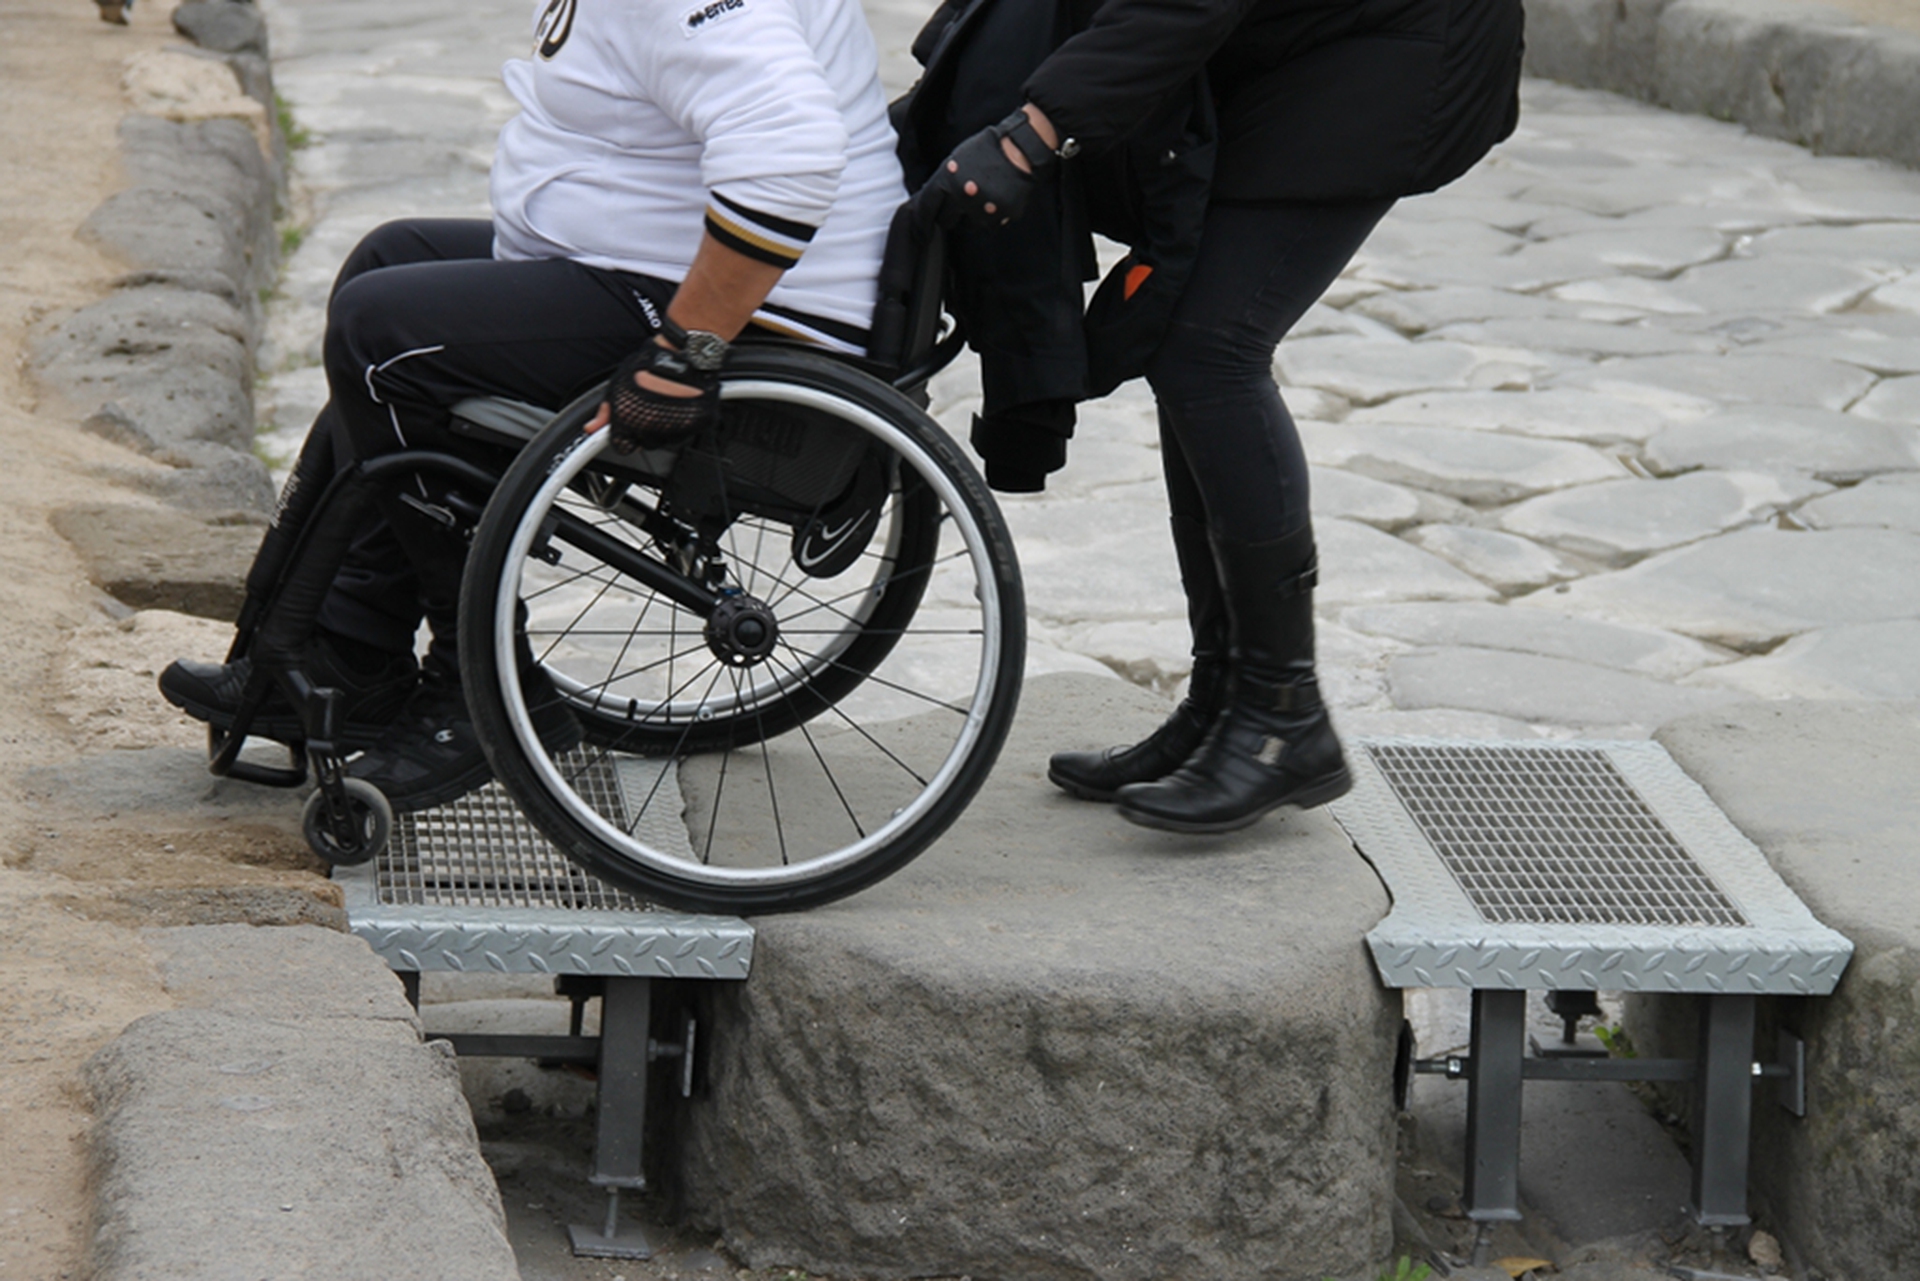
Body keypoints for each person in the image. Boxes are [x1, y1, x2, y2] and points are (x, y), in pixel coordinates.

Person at [160, 0, 906, 812]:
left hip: (752, 317)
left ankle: (478, 684)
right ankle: (352, 647)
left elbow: (789, 154)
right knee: (388, 261)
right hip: (661, 265)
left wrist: (683, 353)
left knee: (383, 332)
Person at [918, 0, 1524, 835]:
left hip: (1399, 48)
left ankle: (1283, 717)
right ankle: (1223, 704)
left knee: (1210, 349)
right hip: (1302, 38)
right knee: (1191, 347)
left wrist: (1034, 130)